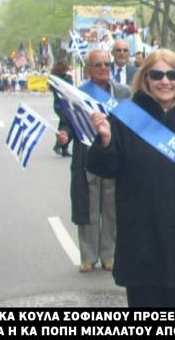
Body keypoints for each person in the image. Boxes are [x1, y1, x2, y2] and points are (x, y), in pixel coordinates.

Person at [87, 48, 175, 307]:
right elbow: (105, 168)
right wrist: (105, 140)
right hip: (140, 233)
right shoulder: (125, 117)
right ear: (146, 79)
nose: (165, 81)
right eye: (157, 74)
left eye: (172, 74)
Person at [56, 49, 130, 273]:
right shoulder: (77, 94)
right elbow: (67, 121)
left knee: (112, 207)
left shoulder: (123, 93)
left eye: (107, 64)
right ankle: (88, 256)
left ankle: (110, 255)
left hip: (114, 156)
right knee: (88, 207)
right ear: (88, 69)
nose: (104, 68)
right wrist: (65, 135)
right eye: (98, 65)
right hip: (87, 157)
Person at [50, 60, 73, 157]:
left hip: (65, 105)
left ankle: (63, 147)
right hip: (60, 105)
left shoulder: (66, 77)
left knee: (63, 124)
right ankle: (60, 145)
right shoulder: (55, 79)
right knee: (67, 124)